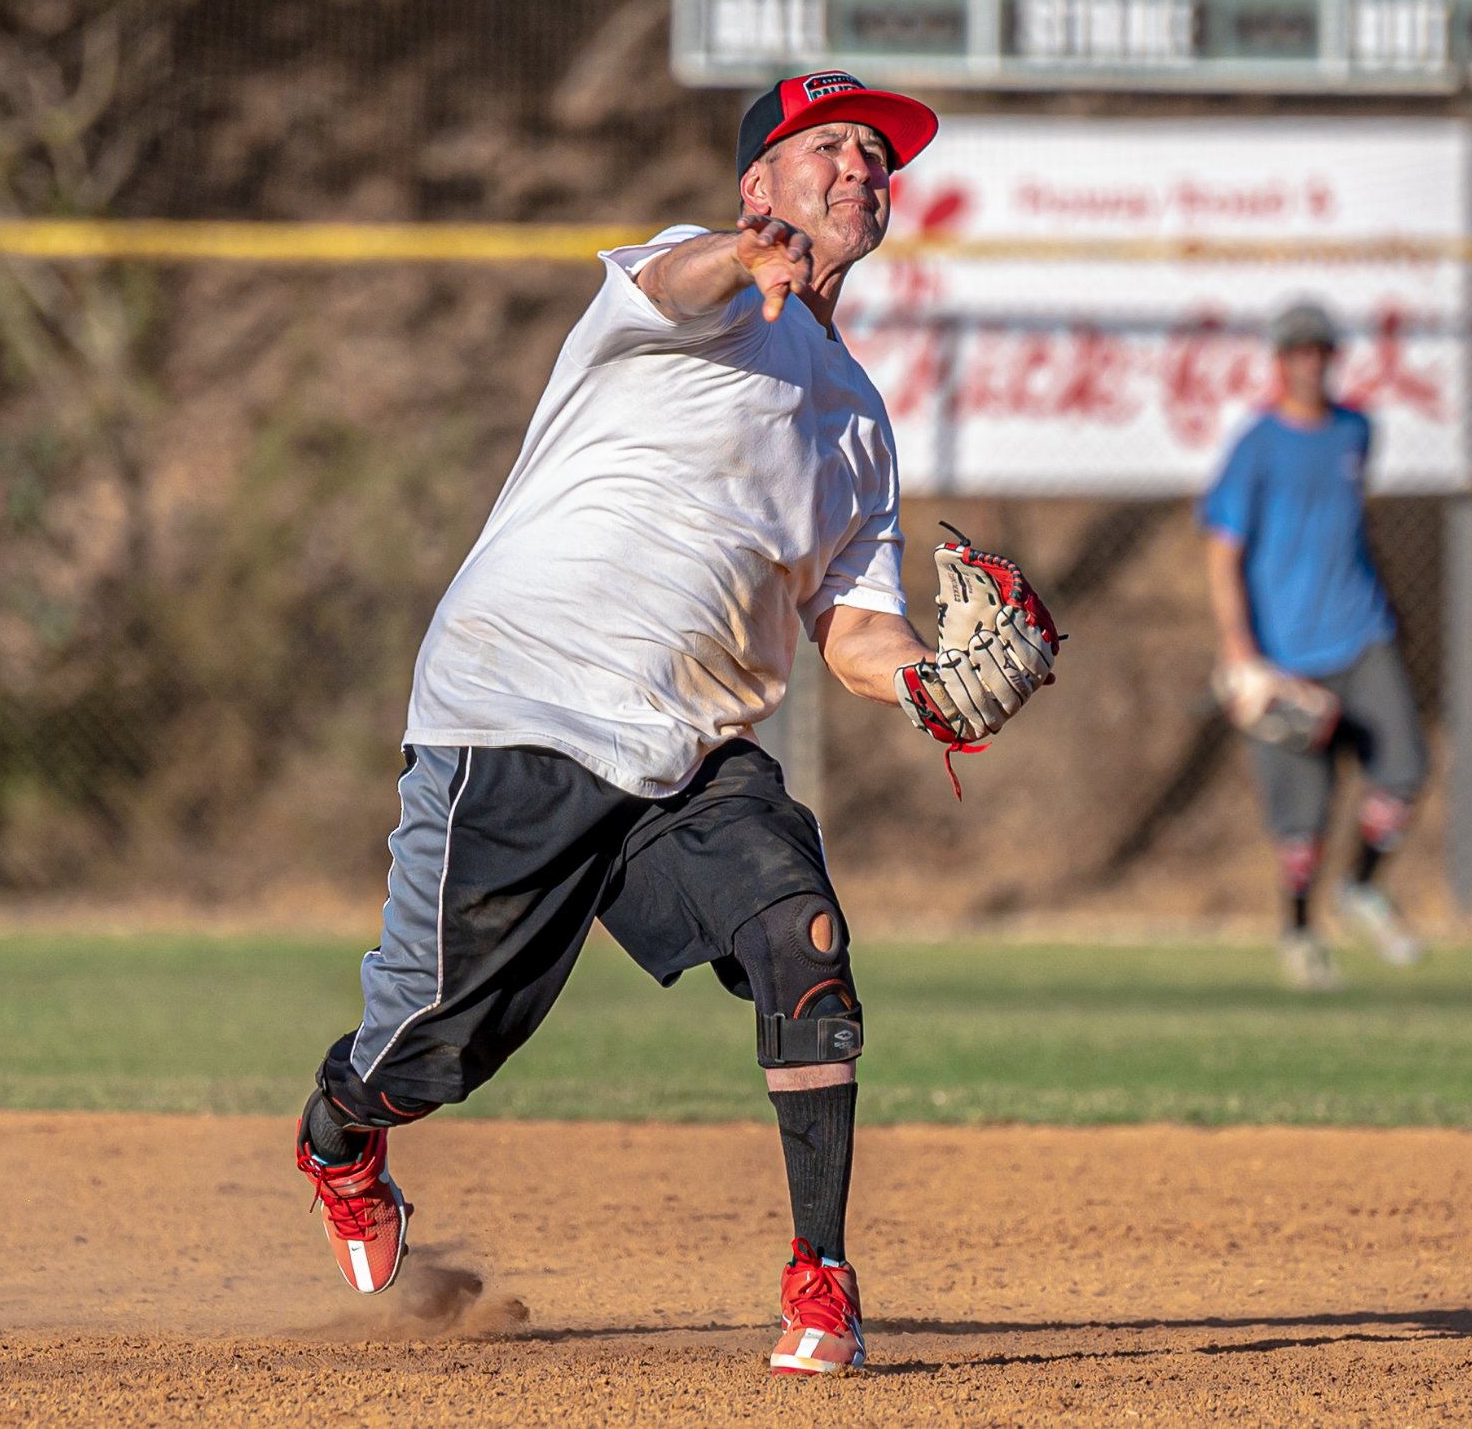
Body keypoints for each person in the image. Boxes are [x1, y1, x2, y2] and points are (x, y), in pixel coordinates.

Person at [291, 71, 1057, 1374]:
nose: (863, 169)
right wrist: (737, 257)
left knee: (804, 941)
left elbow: (851, 629)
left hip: (692, 748)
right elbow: (677, 284)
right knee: (439, 1048)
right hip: (515, 708)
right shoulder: (675, 291)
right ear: (760, 185)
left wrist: (927, 679)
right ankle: (342, 1130)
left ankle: (821, 1278)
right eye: (829, 149)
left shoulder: (855, 420)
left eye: (878, 157)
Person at [1201, 303, 1429, 990]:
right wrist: (1241, 651)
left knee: (1404, 768)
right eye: (1297, 351)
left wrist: (1391, 599)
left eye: (1321, 350)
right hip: (1284, 653)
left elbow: (1355, 528)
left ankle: (1362, 888)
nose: (1310, 362)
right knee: (1302, 814)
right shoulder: (1257, 444)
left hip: (1360, 634)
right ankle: (1300, 932)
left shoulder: (1356, 430)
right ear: (1279, 361)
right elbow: (1222, 554)